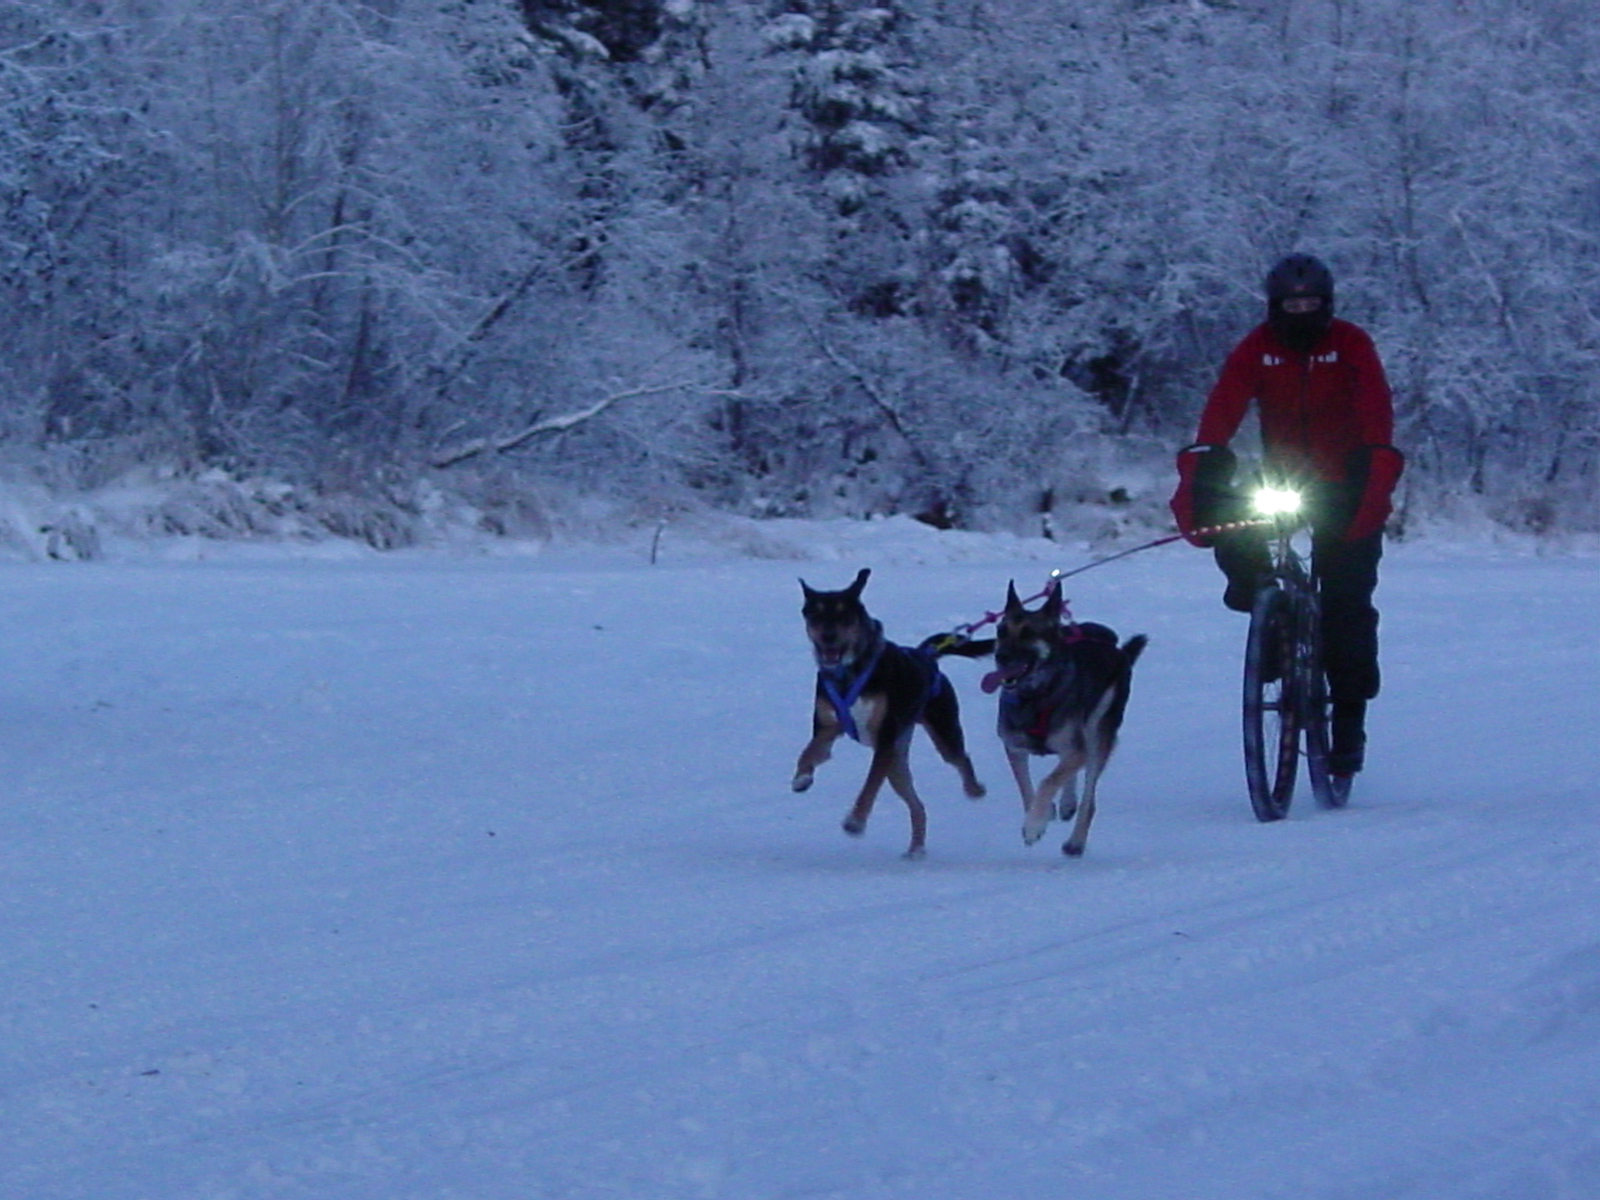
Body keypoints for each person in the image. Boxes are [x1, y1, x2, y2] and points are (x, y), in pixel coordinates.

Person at [1168, 253, 1404, 777]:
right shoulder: (1258, 347)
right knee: (1236, 529)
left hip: (1346, 482)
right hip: (1283, 478)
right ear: (1275, 306)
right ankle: (1267, 610)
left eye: (1310, 304)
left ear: (1327, 304)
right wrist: (1204, 460)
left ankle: (1349, 717)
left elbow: (1375, 408)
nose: (1301, 313)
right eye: (1291, 305)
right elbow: (1224, 405)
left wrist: (1376, 466)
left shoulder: (1351, 344)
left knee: (1346, 600)